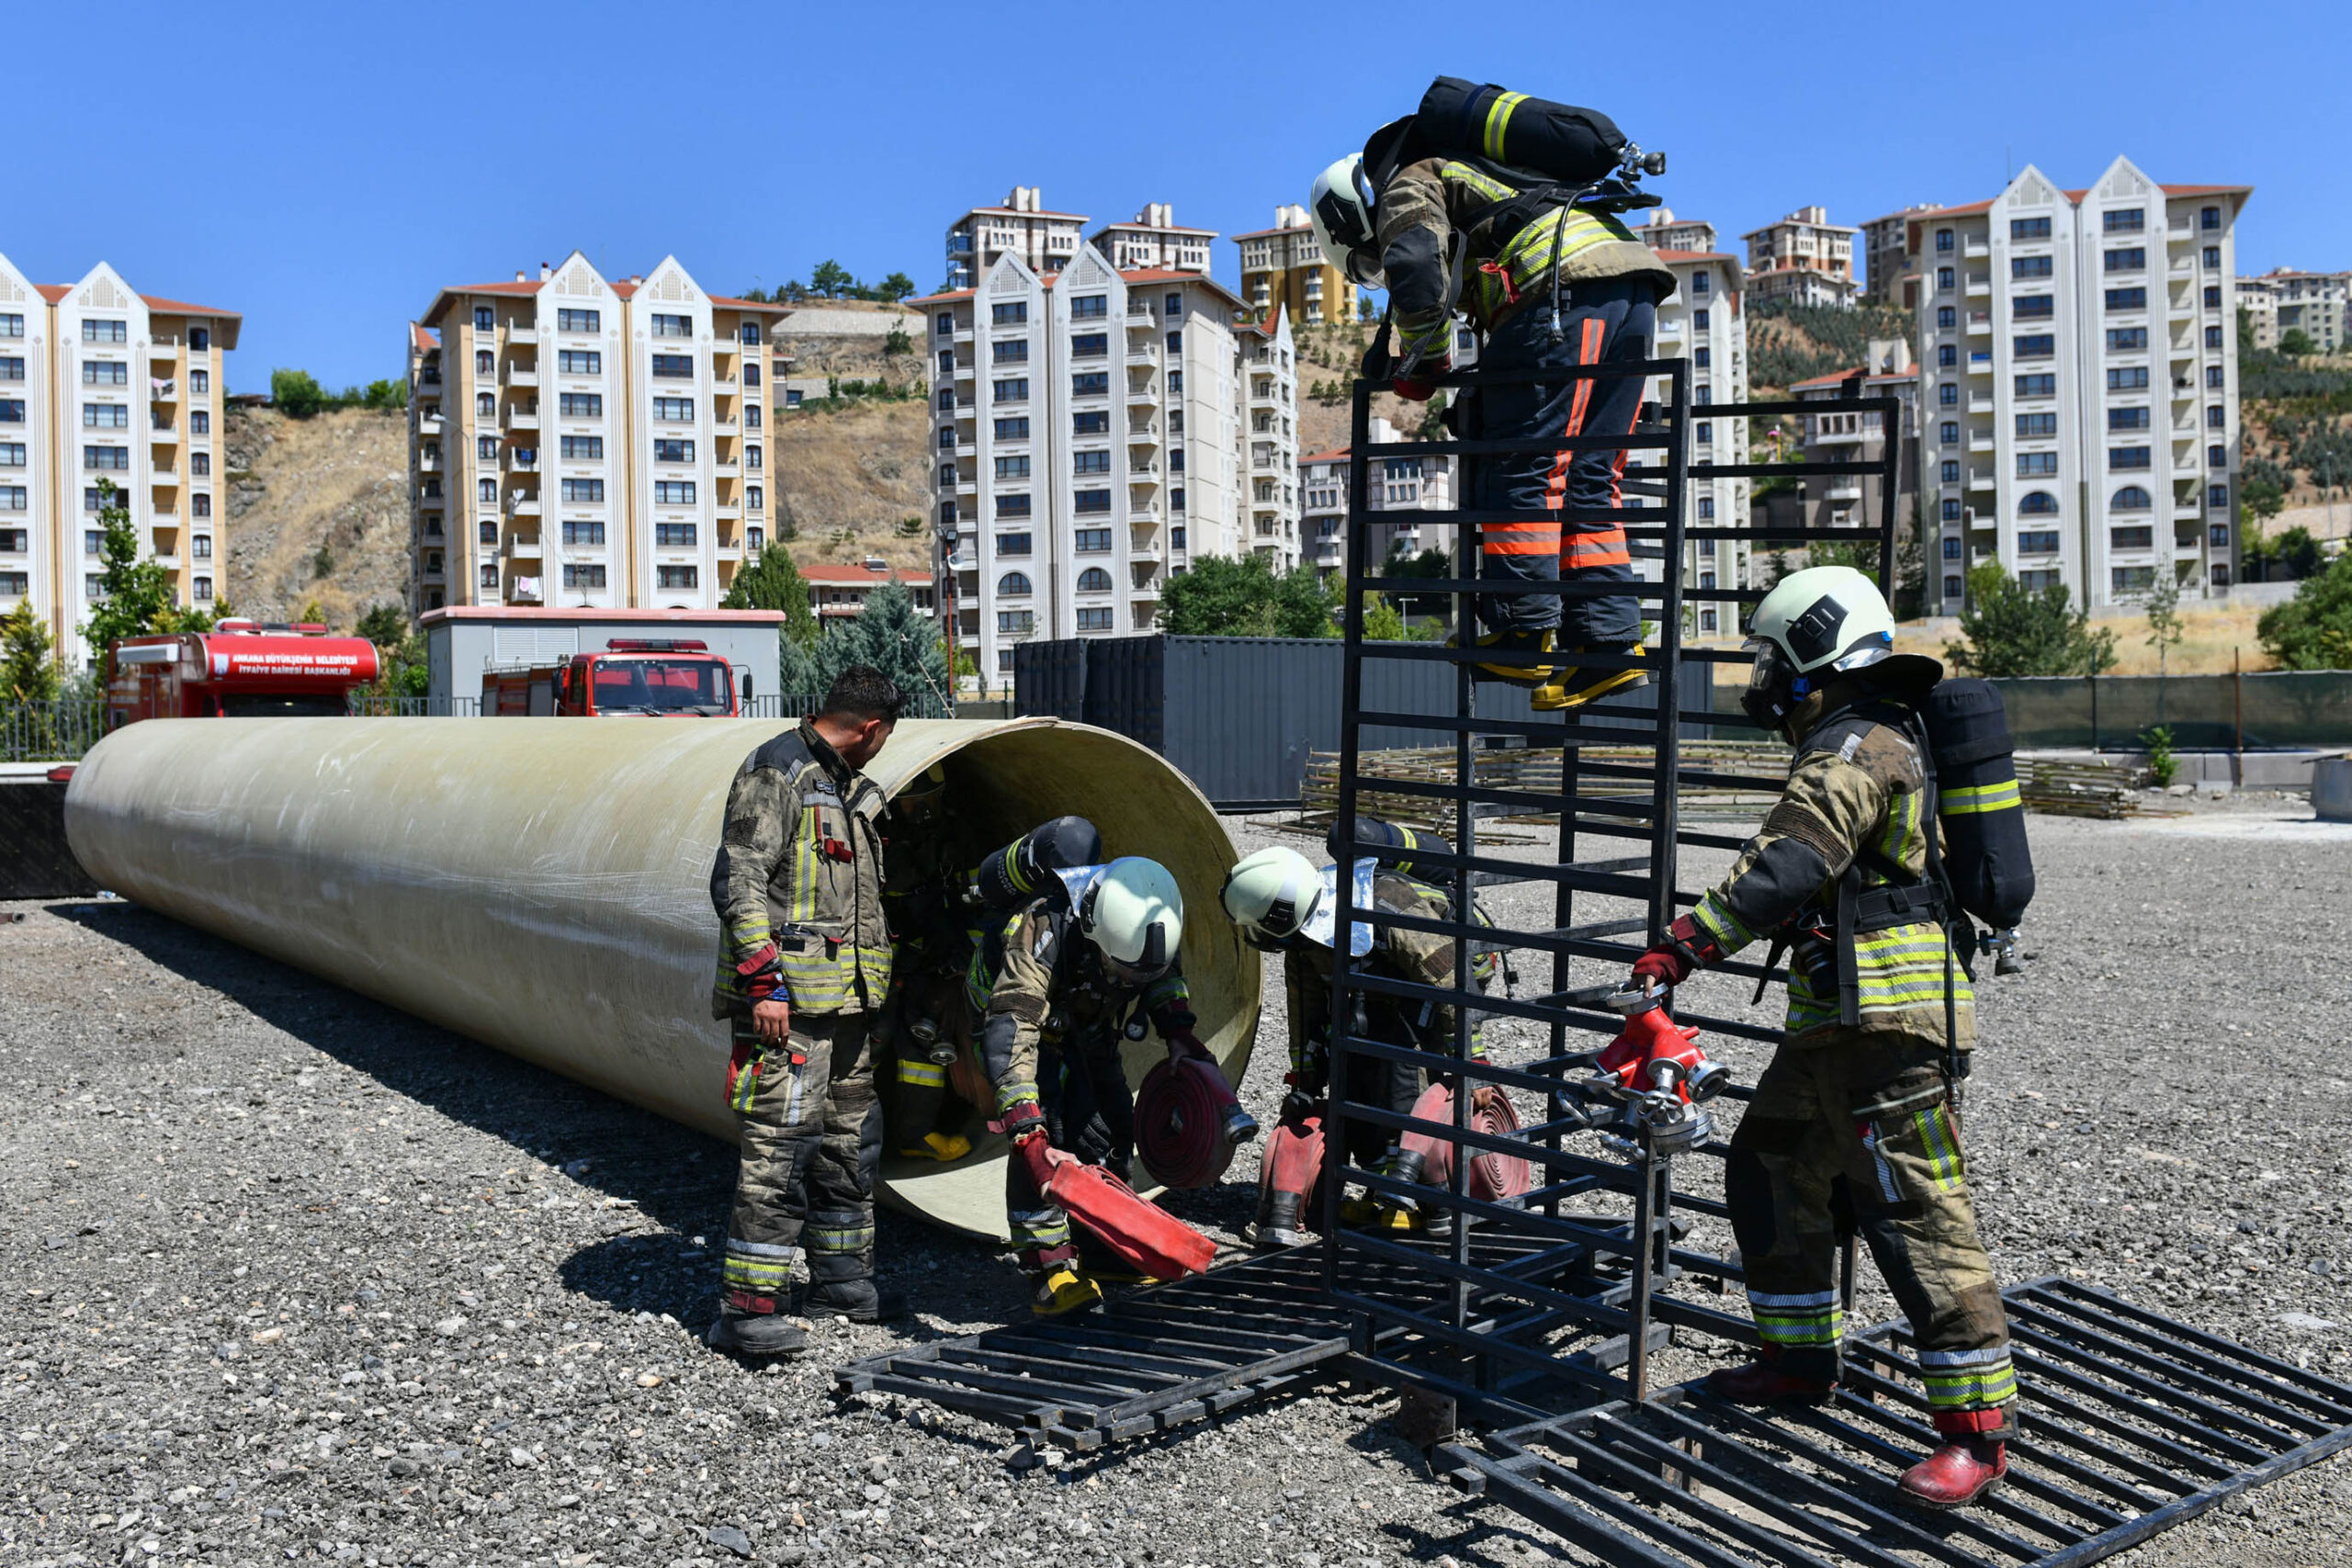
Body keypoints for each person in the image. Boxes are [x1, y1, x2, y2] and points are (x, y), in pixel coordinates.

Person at [1628, 567, 2014, 1510]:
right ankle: (1799, 1361)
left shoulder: (1851, 748)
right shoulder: (1871, 734)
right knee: (1769, 1165)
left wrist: (1688, 941)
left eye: (1771, 653)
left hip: (1890, 1023)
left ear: (1813, 649)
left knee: (1918, 1212)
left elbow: (1792, 861)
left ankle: (1976, 1435)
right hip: (1837, 1021)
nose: (1764, 675)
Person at [1308, 134, 1674, 711]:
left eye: (1370, 254)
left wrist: (1423, 360)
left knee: (1521, 466)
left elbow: (1418, 270)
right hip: (1627, 288)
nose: (1380, 261)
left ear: (1354, 216)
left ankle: (1521, 632)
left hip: (1561, 295)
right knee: (1589, 478)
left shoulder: (1406, 184)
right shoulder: (1482, 174)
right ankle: (1605, 649)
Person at [705, 666, 910, 1357]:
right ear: (871, 729)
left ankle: (842, 1281)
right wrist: (763, 984)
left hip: (848, 1009)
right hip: (788, 1009)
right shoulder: (778, 773)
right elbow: (738, 879)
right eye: (884, 738)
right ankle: (747, 1309)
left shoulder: (853, 790)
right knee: (779, 1149)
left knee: (851, 1144)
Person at [1222, 834, 1491, 1245]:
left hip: (1448, 972)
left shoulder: (1385, 904)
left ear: (1278, 915)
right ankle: (1383, 1178)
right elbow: (1306, 1011)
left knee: (1406, 1065)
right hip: (1382, 987)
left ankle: (1425, 1186)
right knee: (1355, 1060)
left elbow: (1453, 981)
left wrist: (1473, 1063)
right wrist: (1306, 1080)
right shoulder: (1302, 934)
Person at [971, 855, 1202, 1316]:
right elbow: (1012, 1027)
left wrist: (1178, 1034)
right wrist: (1023, 1122)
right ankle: (1047, 1267)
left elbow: (1164, 980)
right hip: (1011, 1026)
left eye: (1136, 977)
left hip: (1086, 1024)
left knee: (1113, 1125)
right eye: (1121, 972)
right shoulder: (1044, 927)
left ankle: (1101, 1249)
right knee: (1043, 1136)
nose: (1127, 983)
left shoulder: (1152, 921)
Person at [876, 761, 977, 1163]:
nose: (922, 812)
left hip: (933, 960)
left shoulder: (956, 836)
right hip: (883, 959)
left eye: (928, 801)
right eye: (912, 804)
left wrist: (963, 949)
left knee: (926, 1043)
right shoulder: (878, 838)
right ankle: (835, 1134)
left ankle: (915, 1136)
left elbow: (976, 898)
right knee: (869, 1042)